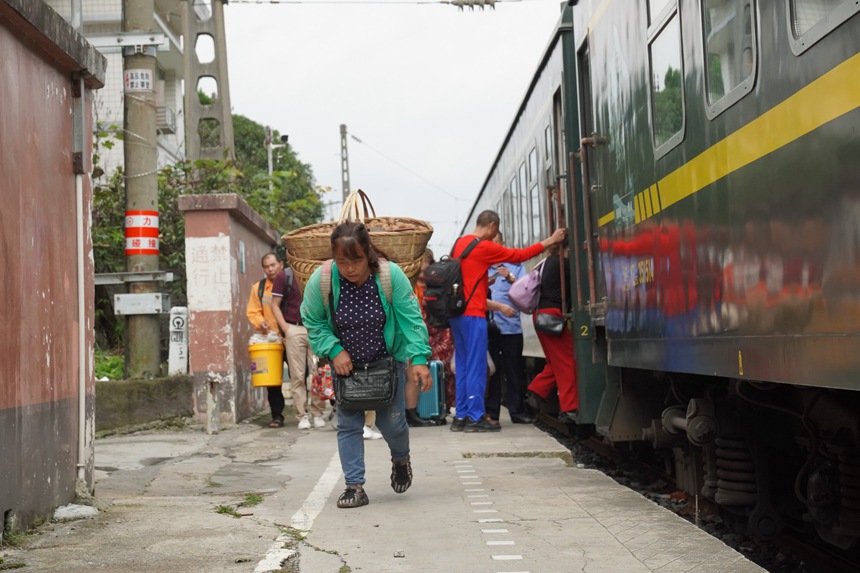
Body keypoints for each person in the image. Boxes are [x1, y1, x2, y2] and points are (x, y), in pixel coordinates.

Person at [301, 221, 433, 508]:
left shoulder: (389, 275)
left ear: (369, 253)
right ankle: (354, 486)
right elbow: (313, 321)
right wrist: (334, 350)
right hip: (346, 366)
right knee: (348, 424)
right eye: (342, 261)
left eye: (357, 260)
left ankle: (400, 458)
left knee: (393, 422)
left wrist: (420, 359)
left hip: (387, 361)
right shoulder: (322, 279)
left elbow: (411, 319)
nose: (349, 268)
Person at [448, 210, 567, 432]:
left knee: (463, 366)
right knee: (476, 366)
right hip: (474, 314)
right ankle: (475, 418)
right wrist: (551, 240)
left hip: (457, 315)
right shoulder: (483, 246)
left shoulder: (458, 245)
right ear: (492, 226)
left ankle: (461, 417)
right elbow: (519, 255)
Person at [271, 256, 326, 430]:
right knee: (297, 375)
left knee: (319, 373)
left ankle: (318, 413)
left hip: (316, 329)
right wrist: (285, 329)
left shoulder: (319, 273)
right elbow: (275, 304)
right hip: (294, 328)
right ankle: (302, 415)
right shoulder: (285, 276)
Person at [486, 232, 533, 425]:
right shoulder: (483, 267)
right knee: (492, 371)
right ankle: (492, 413)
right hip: (489, 327)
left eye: (495, 242)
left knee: (514, 371)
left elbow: (527, 290)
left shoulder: (516, 266)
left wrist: (511, 278)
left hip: (511, 327)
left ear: (502, 244)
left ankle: (517, 411)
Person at [527, 245, 578, 422]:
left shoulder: (545, 262)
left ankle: (536, 391)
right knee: (567, 361)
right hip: (552, 316)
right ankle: (569, 408)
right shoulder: (562, 264)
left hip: (540, 315)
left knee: (556, 362)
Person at [408, 248, 454, 426]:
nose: (422, 268)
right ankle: (419, 409)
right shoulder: (410, 286)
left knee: (441, 369)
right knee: (417, 371)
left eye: (425, 263)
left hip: (437, 332)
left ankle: (438, 406)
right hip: (420, 333)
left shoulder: (435, 285)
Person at [246, 252, 289, 428]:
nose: (270, 269)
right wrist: (260, 322)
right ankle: (277, 415)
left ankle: (304, 411)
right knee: (272, 381)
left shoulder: (291, 283)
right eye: (266, 266)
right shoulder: (260, 288)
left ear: (281, 264)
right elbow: (253, 311)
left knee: (300, 374)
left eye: (273, 265)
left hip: (291, 337)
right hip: (271, 340)